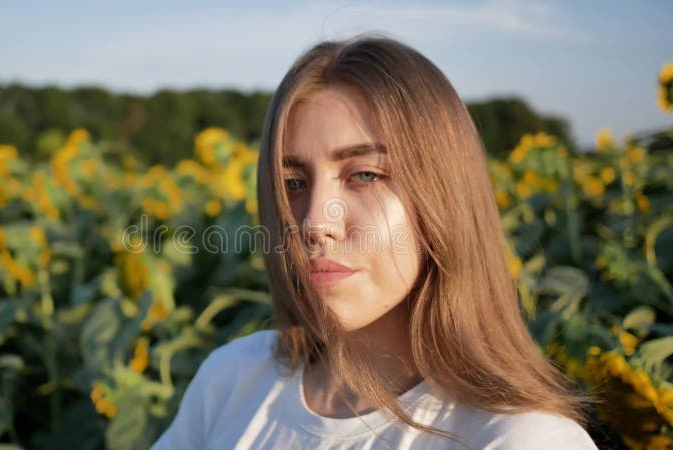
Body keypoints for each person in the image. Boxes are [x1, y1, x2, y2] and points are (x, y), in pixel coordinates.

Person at [152, 33, 599, 449]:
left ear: (444, 195)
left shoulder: (520, 439)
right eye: (292, 182)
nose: (312, 223)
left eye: (364, 175)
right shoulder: (233, 381)